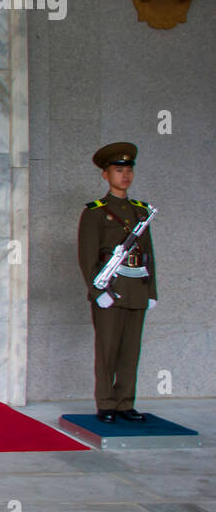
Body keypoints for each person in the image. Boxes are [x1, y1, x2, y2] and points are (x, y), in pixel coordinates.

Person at [77, 142, 157, 424]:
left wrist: (151, 291)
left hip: (136, 287)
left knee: (130, 351)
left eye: (128, 171)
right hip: (110, 289)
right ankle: (106, 403)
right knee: (107, 349)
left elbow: (148, 255)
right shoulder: (95, 212)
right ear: (106, 175)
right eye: (118, 170)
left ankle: (125, 403)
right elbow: (87, 258)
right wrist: (97, 291)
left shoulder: (141, 211)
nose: (125, 176)